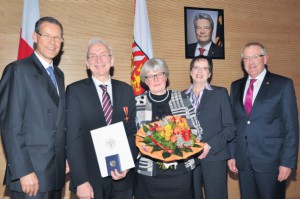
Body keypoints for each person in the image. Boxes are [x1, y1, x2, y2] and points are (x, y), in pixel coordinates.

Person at [0, 17, 66, 198]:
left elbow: (59, 122)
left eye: (57, 37)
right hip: (31, 175)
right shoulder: (18, 70)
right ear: (35, 37)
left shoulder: (59, 75)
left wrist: (65, 158)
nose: (52, 42)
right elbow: (10, 126)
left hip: (55, 173)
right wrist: (23, 171)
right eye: (47, 35)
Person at [66, 38, 137, 199]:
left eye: (103, 55)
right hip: (90, 180)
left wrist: (126, 164)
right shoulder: (75, 91)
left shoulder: (126, 90)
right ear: (87, 63)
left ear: (111, 60)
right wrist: (81, 181)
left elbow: (132, 132)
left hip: (122, 178)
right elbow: (73, 139)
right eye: (93, 56)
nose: (98, 60)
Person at [228, 42, 299, 199]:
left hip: (271, 161)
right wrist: (232, 155)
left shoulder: (283, 84)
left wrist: (287, 162)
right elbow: (234, 124)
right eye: (246, 58)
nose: (251, 62)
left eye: (255, 56)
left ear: (265, 58)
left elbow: (291, 127)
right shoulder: (236, 86)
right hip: (243, 161)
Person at [135, 58, 203, 199]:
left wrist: (178, 146)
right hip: (150, 174)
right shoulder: (137, 103)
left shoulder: (182, 98)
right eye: (150, 76)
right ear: (145, 81)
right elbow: (133, 135)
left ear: (165, 76)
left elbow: (197, 130)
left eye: (159, 74)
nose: (155, 79)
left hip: (180, 173)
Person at [183, 55, 236, 199]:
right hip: (188, 158)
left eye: (205, 68)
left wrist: (209, 145)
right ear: (190, 71)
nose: (200, 71)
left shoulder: (220, 93)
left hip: (214, 156)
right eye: (196, 67)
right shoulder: (180, 97)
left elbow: (230, 128)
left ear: (210, 73)